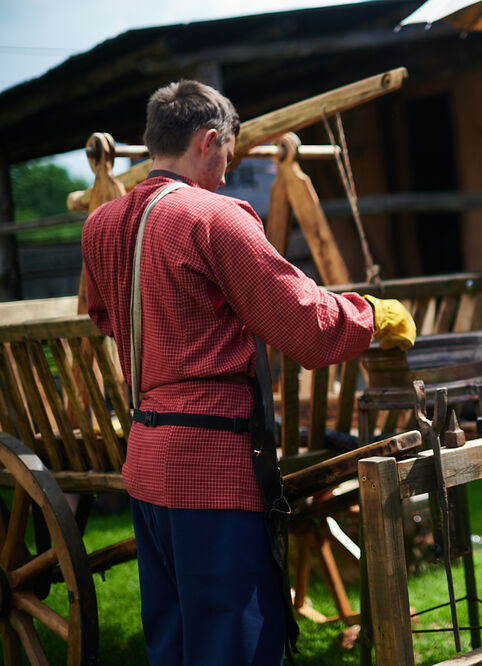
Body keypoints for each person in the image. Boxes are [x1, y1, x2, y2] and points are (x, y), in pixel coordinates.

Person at [81, 79, 415, 665]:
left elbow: (103, 314)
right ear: (209, 142)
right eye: (227, 158)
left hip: (147, 461)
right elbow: (307, 327)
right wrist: (373, 315)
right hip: (212, 467)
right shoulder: (214, 216)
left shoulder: (101, 226)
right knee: (234, 649)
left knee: (175, 645)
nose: (227, 175)